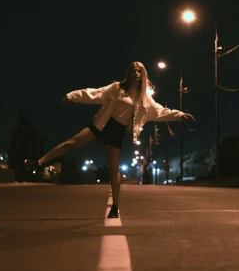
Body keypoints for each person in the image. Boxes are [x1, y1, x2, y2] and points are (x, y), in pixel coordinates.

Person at [25, 61, 195, 218]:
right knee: (71, 143)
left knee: (114, 169)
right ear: (128, 73)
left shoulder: (145, 100)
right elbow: (94, 93)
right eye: (133, 70)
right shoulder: (116, 88)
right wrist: (72, 96)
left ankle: (115, 207)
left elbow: (161, 112)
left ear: (143, 75)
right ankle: (40, 162)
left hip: (116, 132)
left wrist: (179, 115)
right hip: (101, 124)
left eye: (139, 71)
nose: (136, 73)